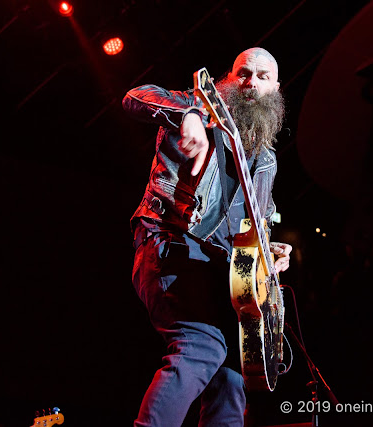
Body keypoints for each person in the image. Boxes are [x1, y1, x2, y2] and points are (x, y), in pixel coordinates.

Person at [122, 47, 293, 427]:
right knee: (201, 345)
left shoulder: (266, 161)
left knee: (233, 374)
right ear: (228, 79)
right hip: (171, 244)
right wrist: (189, 116)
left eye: (262, 77)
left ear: (276, 89)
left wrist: (270, 249)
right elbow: (135, 96)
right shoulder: (200, 107)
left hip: (222, 270)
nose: (251, 83)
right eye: (243, 74)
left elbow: (257, 223)